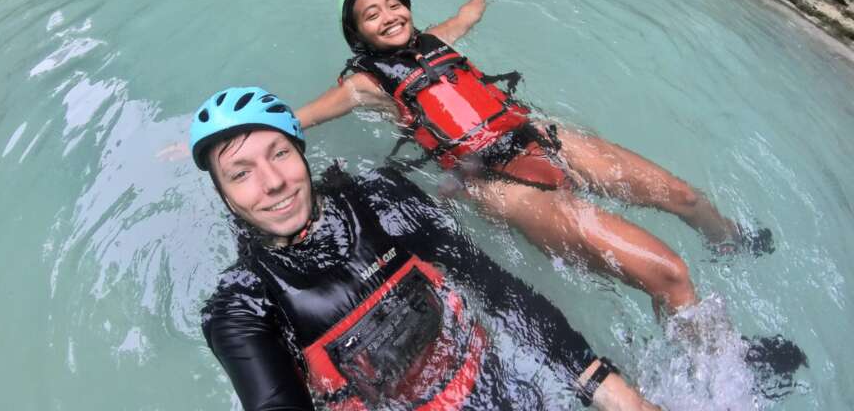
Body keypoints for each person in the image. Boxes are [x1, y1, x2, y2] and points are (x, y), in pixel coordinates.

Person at [295, 0, 772, 317]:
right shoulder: (365, 84)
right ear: (357, 34)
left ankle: (727, 240)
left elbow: (468, 15)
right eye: (371, 14)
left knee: (684, 196)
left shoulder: (437, 39)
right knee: (668, 274)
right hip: (495, 182)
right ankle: (719, 371)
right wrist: (241, 137)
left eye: (393, 2)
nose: (389, 15)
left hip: (538, 137)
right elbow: (303, 117)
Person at [193, 86, 659, 411]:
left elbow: (499, 289)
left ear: (300, 153)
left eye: (279, 153)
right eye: (241, 172)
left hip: (499, 382)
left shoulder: (381, 201)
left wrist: (605, 387)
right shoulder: (244, 304)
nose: (273, 183)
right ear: (225, 196)